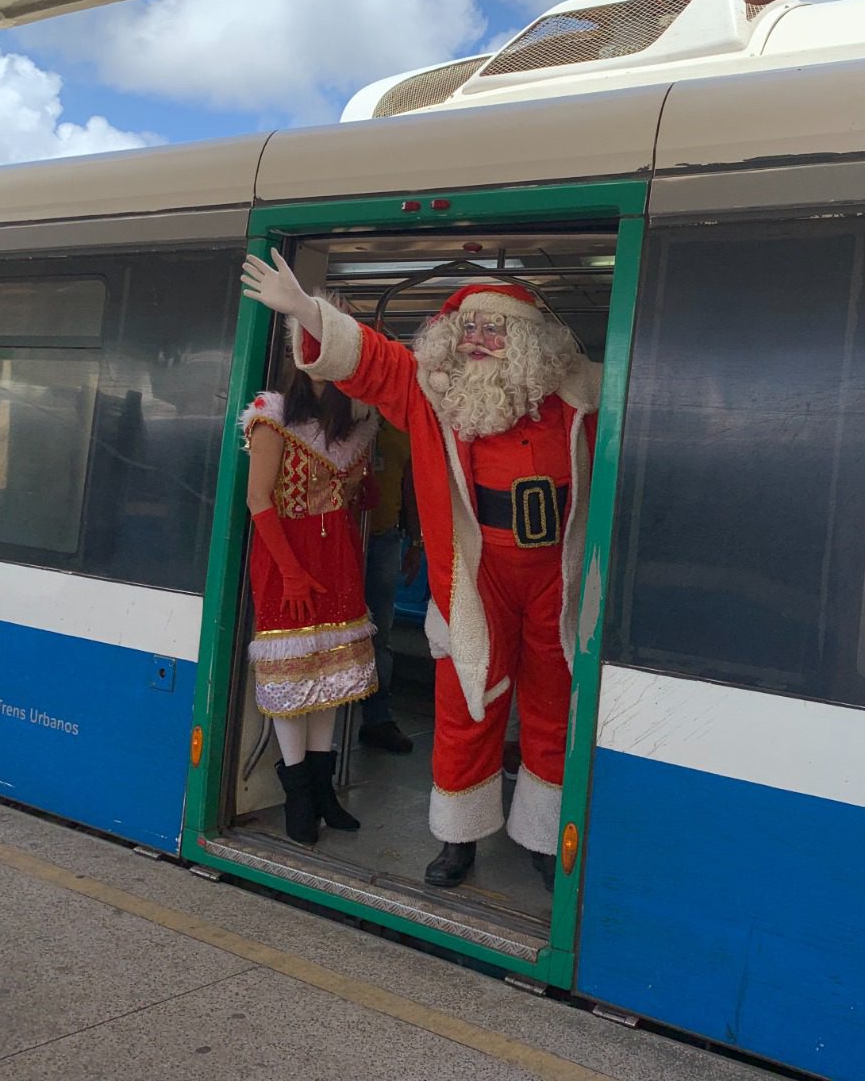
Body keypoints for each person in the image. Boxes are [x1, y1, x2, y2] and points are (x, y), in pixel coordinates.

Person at [241, 250, 598, 891]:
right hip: (474, 577)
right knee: (466, 703)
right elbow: (373, 361)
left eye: (495, 330)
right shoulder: (434, 396)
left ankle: (544, 838)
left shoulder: (580, 397)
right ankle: (458, 838)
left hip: (558, 578)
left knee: (553, 709)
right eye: (468, 331)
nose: (479, 343)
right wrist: (307, 313)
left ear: (526, 342)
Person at [242, 354, 379, 845]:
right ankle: (299, 795)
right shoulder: (271, 415)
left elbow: (356, 496)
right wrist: (292, 573)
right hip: (287, 557)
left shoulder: (354, 427)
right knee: (291, 673)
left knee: (332, 671)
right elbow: (259, 499)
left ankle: (322, 792)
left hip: (336, 553)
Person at [359, 416, 423, 754]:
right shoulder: (347, 421)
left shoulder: (402, 427)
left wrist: (416, 541)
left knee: (380, 633)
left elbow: (409, 486)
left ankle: (377, 717)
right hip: (342, 539)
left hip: (385, 540)